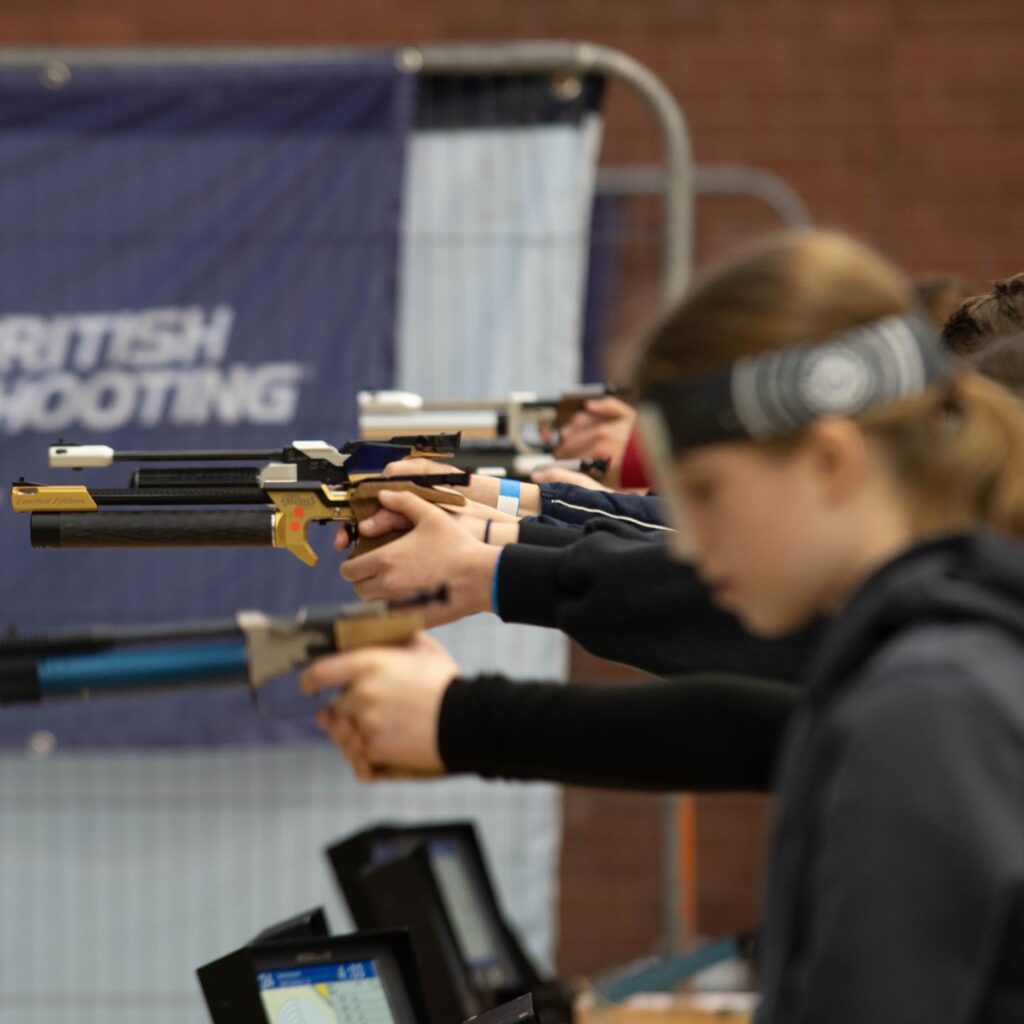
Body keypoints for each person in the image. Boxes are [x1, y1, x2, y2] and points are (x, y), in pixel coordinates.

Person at [304, 230, 1024, 1022]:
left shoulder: (928, 702)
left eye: (708, 494)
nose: (694, 539)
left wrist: (485, 601)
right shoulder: (944, 657)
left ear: (830, 462)